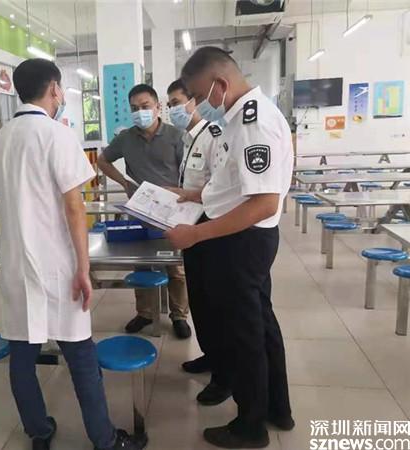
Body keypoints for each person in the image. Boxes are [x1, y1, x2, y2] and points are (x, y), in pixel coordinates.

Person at [0, 58, 145, 450]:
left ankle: (39, 431)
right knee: (81, 356)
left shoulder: (1, 138)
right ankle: (104, 440)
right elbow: (74, 208)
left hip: (16, 267)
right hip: (58, 266)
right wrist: (84, 268)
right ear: (53, 89)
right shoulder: (58, 135)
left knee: (22, 358)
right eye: (61, 87)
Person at [165, 47, 294, 449]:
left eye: (198, 94)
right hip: (243, 236)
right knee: (261, 325)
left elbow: (264, 203)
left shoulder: (254, 123)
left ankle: (250, 426)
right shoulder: (241, 118)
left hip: (243, 240)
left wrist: (196, 235)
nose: (198, 103)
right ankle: (277, 408)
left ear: (219, 84)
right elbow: (235, 184)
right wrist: (193, 195)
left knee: (245, 334)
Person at [97, 84, 191, 339]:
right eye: (134, 108)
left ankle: (179, 315)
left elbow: (188, 171)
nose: (140, 112)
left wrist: (183, 194)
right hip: (140, 210)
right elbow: (103, 160)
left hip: (172, 211)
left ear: (158, 107)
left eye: (145, 106)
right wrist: (124, 182)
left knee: (176, 268)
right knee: (142, 264)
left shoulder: (176, 136)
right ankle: (145, 312)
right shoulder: (126, 139)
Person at [166, 79, 224, 376]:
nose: (172, 110)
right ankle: (209, 354)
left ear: (194, 102)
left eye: (176, 103)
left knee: (214, 302)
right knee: (198, 298)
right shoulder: (188, 139)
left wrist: (186, 194)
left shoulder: (214, 136)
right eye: (170, 105)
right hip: (190, 226)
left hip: (210, 228)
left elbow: (222, 189)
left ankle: (223, 372)